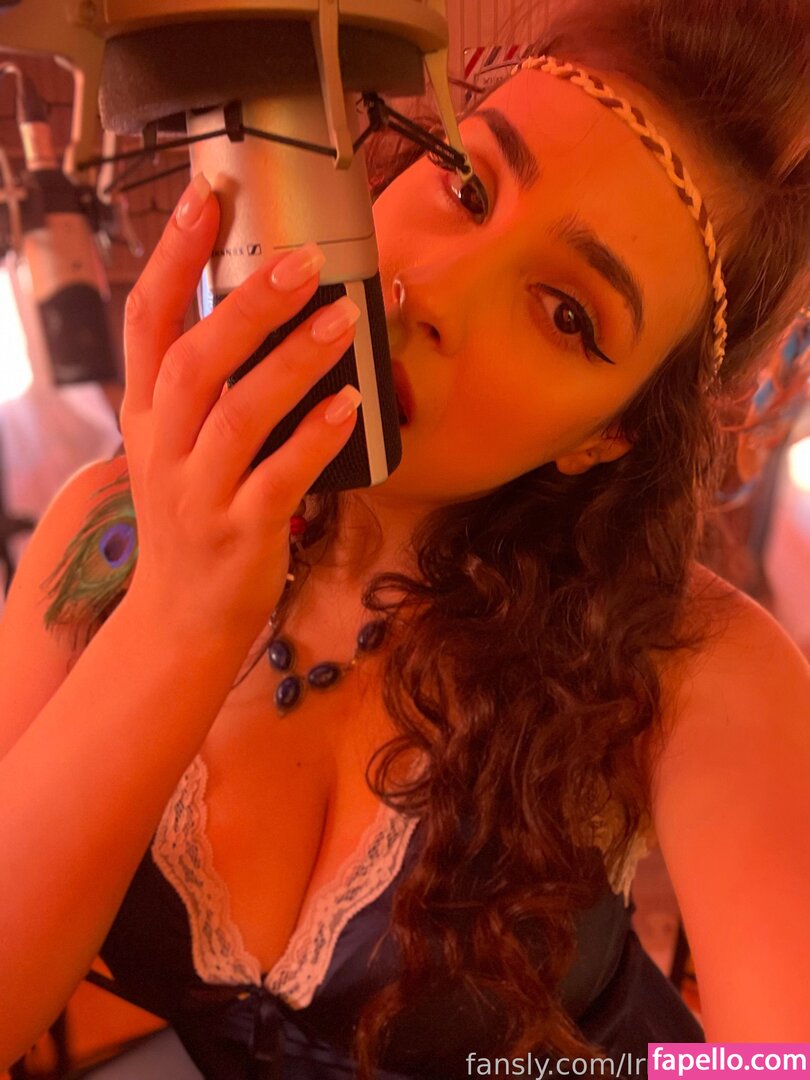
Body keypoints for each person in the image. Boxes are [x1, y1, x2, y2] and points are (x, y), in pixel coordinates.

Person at [1, 0, 809, 1076]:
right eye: (467, 186)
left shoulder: (692, 662)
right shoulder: (97, 533)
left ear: (609, 432)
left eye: (568, 313)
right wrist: (179, 615)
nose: (433, 290)